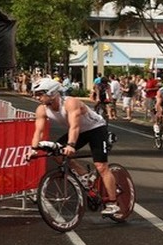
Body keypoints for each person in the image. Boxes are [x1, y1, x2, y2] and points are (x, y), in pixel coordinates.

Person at [28, 78, 120, 215]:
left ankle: (112, 203)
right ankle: (84, 175)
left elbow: (74, 126)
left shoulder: (70, 103)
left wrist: (70, 145)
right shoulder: (42, 109)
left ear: (52, 93)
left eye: (40, 94)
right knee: (57, 154)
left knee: (101, 165)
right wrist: (33, 150)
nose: (37, 97)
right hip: (80, 132)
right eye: (36, 94)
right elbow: (38, 132)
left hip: (96, 129)